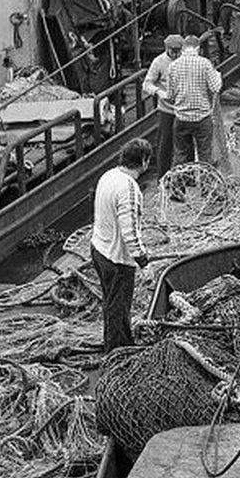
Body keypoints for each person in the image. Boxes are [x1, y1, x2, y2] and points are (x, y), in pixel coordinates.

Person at [90, 139, 152, 352]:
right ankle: (117, 354)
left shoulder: (108, 176)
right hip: (116, 260)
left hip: (98, 249)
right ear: (143, 161)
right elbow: (130, 233)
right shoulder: (129, 188)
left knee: (111, 304)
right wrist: (144, 262)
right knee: (118, 308)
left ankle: (118, 343)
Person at [166, 35, 223, 192]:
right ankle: (207, 191)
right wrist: (218, 76)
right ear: (198, 48)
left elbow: (169, 95)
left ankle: (178, 190)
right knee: (205, 156)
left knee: (180, 155)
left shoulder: (173, 66)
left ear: (183, 48)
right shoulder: (205, 64)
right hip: (202, 118)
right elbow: (215, 88)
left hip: (181, 118)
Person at [141, 34, 182, 179]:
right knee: (165, 145)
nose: (176, 54)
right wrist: (159, 92)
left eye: (179, 51)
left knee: (184, 145)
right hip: (167, 111)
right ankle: (162, 178)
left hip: (184, 110)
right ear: (166, 49)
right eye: (173, 51)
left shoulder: (185, 60)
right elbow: (147, 84)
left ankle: (185, 178)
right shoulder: (159, 62)